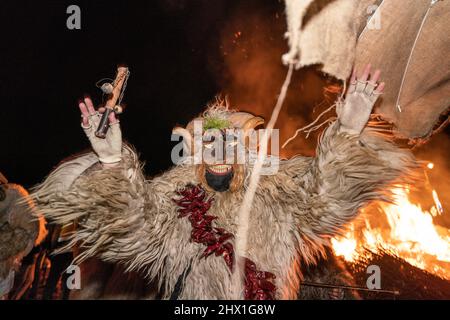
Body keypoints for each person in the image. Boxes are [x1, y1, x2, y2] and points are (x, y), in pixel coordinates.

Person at [31, 65, 419, 299]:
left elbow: (327, 195)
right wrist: (114, 160)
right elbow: (134, 224)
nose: (218, 151)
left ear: (248, 152)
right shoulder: (176, 200)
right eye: (209, 142)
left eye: (230, 142)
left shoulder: (280, 197)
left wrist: (349, 131)